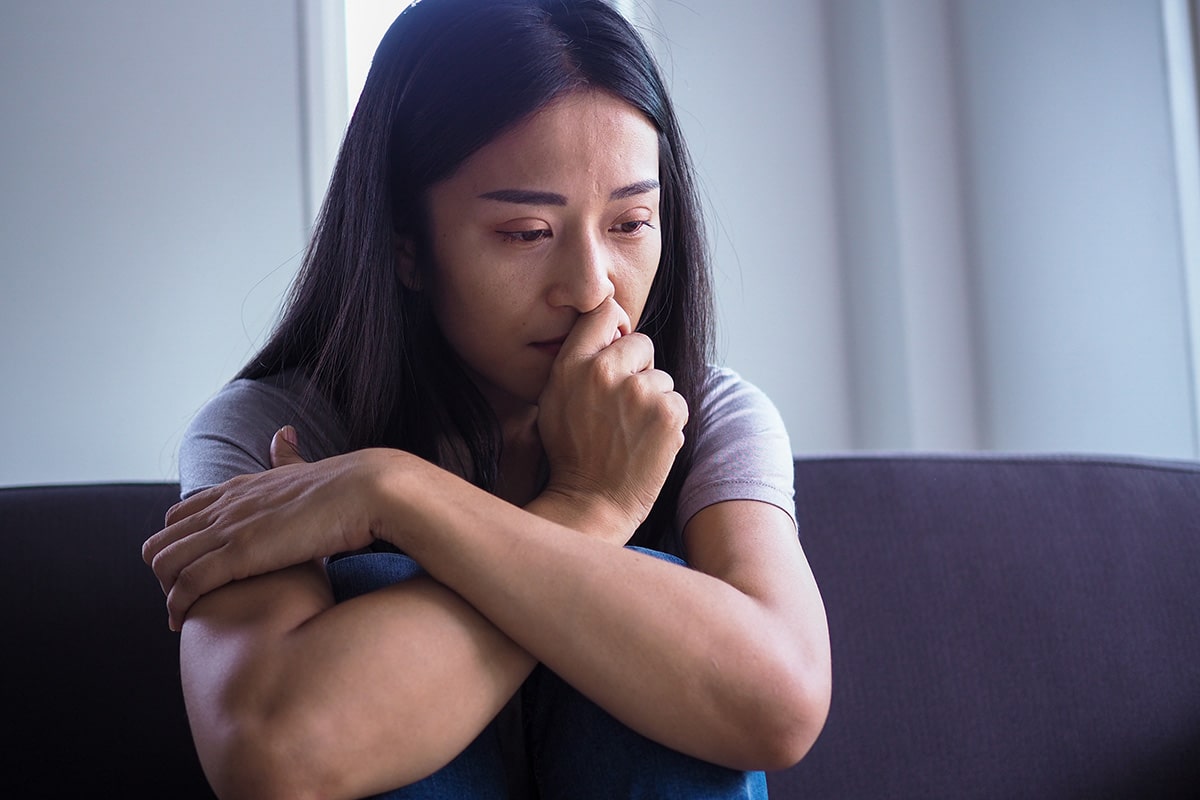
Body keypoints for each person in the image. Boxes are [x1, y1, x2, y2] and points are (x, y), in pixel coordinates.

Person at [142, 0, 831, 797]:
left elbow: (779, 706)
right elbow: (277, 756)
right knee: (375, 607)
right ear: (407, 246)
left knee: (669, 634)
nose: (588, 287)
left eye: (631, 222)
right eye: (526, 234)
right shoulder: (272, 431)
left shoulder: (706, 416)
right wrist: (587, 510)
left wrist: (394, 494)